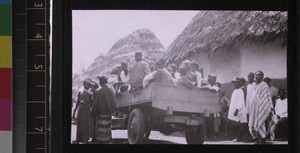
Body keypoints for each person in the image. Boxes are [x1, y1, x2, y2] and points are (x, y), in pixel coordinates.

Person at [248, 71, 273, 144]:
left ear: (262, 76)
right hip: (254, 107)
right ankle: (259, 139)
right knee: (254, 123)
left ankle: (263, 139)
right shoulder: (254, 85)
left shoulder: (264, 85)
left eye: (260, 75)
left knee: (260, 122)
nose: (258, 76)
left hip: (262, 106)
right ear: (255, 76)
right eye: (256, 75)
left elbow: (267, 96)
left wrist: (269, 106)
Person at [91, 76, 117, 144]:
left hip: (102, 112)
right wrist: (112, 109)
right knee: (107, 126)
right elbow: (112, 101)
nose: (99, 83)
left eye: (100, 81)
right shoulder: (109, 89)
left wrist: (93, 111)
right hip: (108, 112)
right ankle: (107, 139)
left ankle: (102, 140)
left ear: (101, 82)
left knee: (102, 126)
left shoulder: (101, 90)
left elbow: (96, 102)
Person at [228, 77, 247, 142]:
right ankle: (238, 137)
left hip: (240, 110)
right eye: (233, 83)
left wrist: (237, 110)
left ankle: (238, 138)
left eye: (235, 83)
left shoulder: (240, 91)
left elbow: (240, 101)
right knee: (238, 124)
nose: (234, 84)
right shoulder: (235, 90)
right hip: (237, 110)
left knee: (241, 124)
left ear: (238, 83)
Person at [245, 72, 257, 142]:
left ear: (253, 77)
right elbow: (248, 98)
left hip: (255, 107)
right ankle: (254, 137)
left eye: (250, 77)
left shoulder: (255, 85)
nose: (249, 78)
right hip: (249, 107)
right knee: (250, 123)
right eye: (248, 77)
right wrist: (247, 108)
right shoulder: (248, 86)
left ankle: (257, 137)